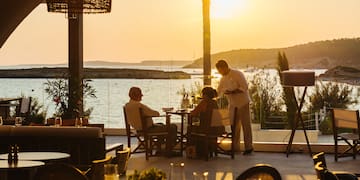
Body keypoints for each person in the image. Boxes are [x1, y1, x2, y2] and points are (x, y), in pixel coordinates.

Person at [124, 87, 178, 156]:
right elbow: (156, 113)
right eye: (140, 94)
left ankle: (160, 149)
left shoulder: (127, 105)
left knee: (161, 125)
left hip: (137, 129)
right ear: (136, 95)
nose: (142, 96)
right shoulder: (139, 106)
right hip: (147, 130)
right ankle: (169, 150)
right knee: (172, 127)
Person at [215, 60, 253, 155]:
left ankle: (249, 147)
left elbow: (244, 87)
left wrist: (233, 92)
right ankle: (235, 147)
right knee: (234, 126)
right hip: (232, 104)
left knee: (246, 125)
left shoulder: (238, 74)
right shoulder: (223, 79)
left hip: (243, 102)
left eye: (220, 70)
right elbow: (219, 91)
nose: (220, 73)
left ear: (224, 67)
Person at [189, 87, 224, 158]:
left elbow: (193, 113)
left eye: (203, 94)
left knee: (190, 129)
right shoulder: (215, 103)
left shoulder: (204, 103)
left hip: (207, 130)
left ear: (205, 95)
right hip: (218, 129)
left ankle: (194, 151)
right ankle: (210, 149)